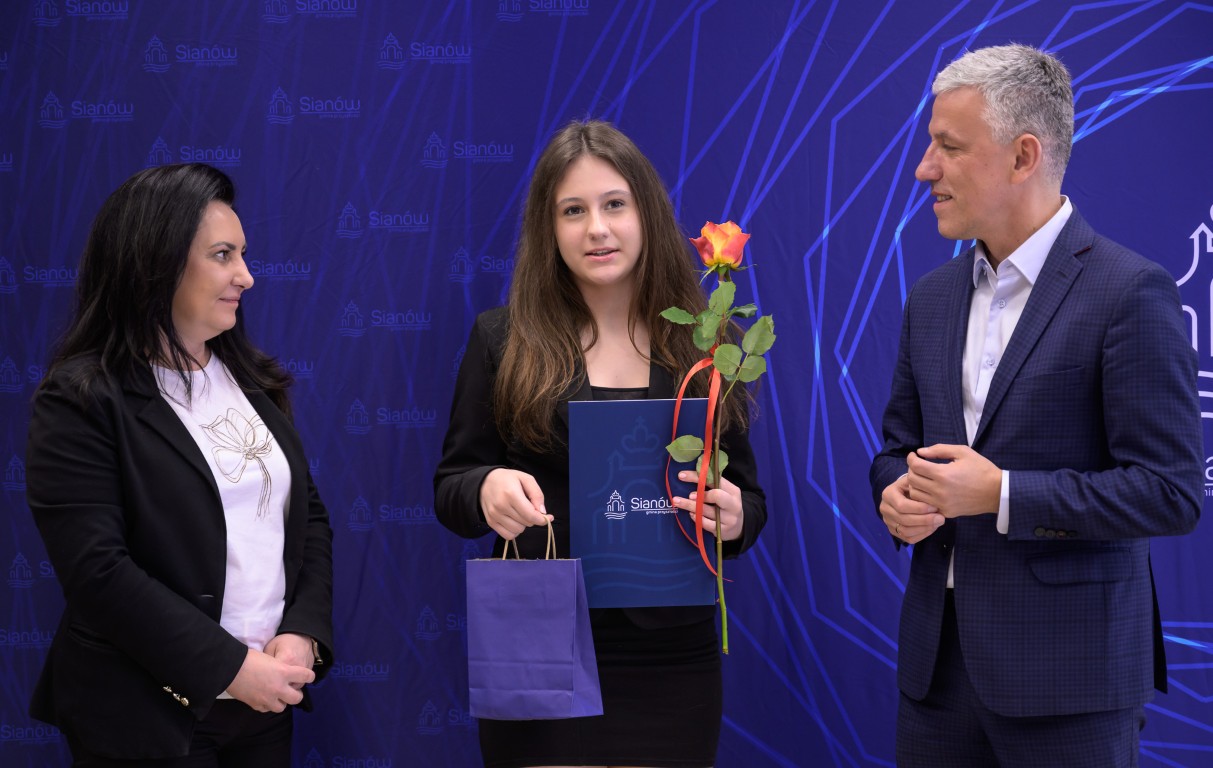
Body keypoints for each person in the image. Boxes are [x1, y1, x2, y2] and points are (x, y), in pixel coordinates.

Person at [869, 44, 1202, 767]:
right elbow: (895, 450)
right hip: (935, 677)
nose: (924, 169)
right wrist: (894, 493)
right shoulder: (930, 298)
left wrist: (1001, 494)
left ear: (1023, 156)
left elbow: (1170, 492)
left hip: (1070, 684)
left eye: (948, 147)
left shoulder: (1128, 292)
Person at [434, 119, 767, 767]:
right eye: (573, 211)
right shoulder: (503, 338)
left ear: (647, 214)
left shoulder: (707, 342)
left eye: (614, 204)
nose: (596, 228)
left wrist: (733, 517)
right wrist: (486, 488)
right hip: (540, 640)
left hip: (672, 656)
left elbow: (748, 501)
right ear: (547, 227)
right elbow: (452, 487)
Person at [25, 163, 335, 766]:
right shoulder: (81, 398)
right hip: (144, 716)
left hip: (265, 707)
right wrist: (230, 667)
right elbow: (98, 573)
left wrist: (303, 634)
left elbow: (309, 518)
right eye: (223, 255)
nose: (246, 276)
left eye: (243, 254)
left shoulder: (252, 380)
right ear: (155, 263)